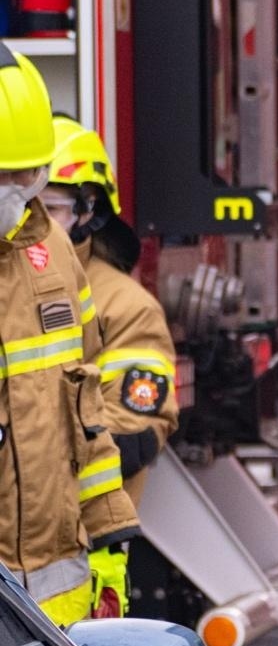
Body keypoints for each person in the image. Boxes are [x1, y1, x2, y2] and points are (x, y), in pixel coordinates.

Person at [0, 44, 141, 624]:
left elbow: (87, 416)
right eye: (3, 173)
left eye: (29, 173)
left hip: (59, 605)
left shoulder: (53, 253)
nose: (17, 189)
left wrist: (109, 544)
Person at [43, 118, 179, 508]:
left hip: (75, 530)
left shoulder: (125, 307)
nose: (31, 223)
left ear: (88, 211)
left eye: (50, 209)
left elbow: (131, 436)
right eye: (20, 206)